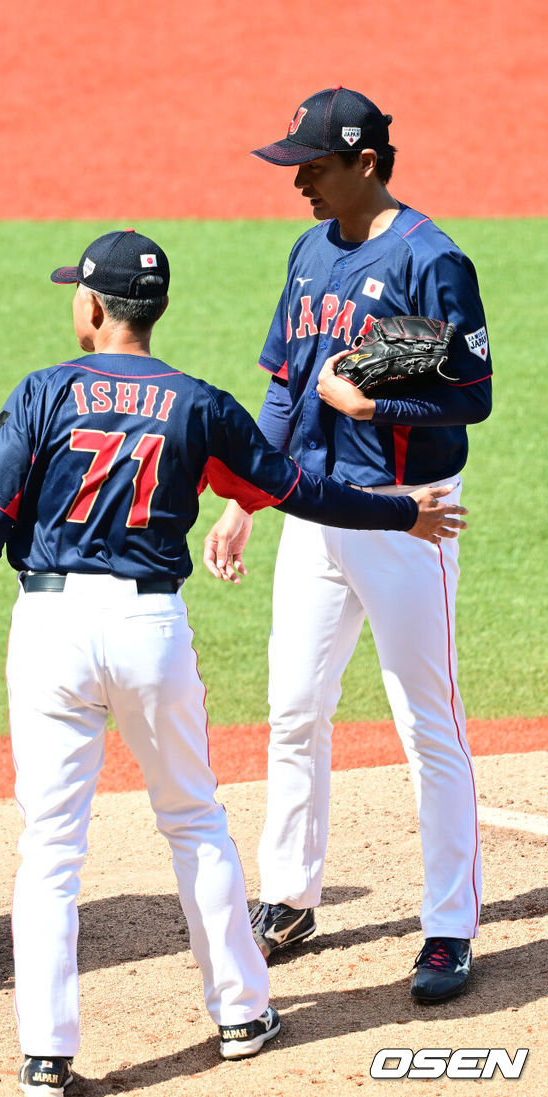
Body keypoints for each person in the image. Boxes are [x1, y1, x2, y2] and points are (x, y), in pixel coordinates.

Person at [0, 229, 466, 1094]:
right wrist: (402, 512)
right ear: (158, 309)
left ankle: (46, 1053)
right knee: (195, 822)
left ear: (93, 308)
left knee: (51, 848)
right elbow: (300, 490)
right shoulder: (200, 404)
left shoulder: (43, 392)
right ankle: (243, 1012)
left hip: (52, 631)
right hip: (150, 634)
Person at [204, 87, 492, 1003]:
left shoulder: (434, 260)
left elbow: (473, 393)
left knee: (427, 724)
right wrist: (248, 497)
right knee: (294, 708)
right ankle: (289, 895)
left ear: (365, 163)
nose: (299, 184)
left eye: (314, 167)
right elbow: (288, 389)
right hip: (315, 513)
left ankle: (449, 927)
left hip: (412, 516)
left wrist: (379, 406)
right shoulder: (309, 251)